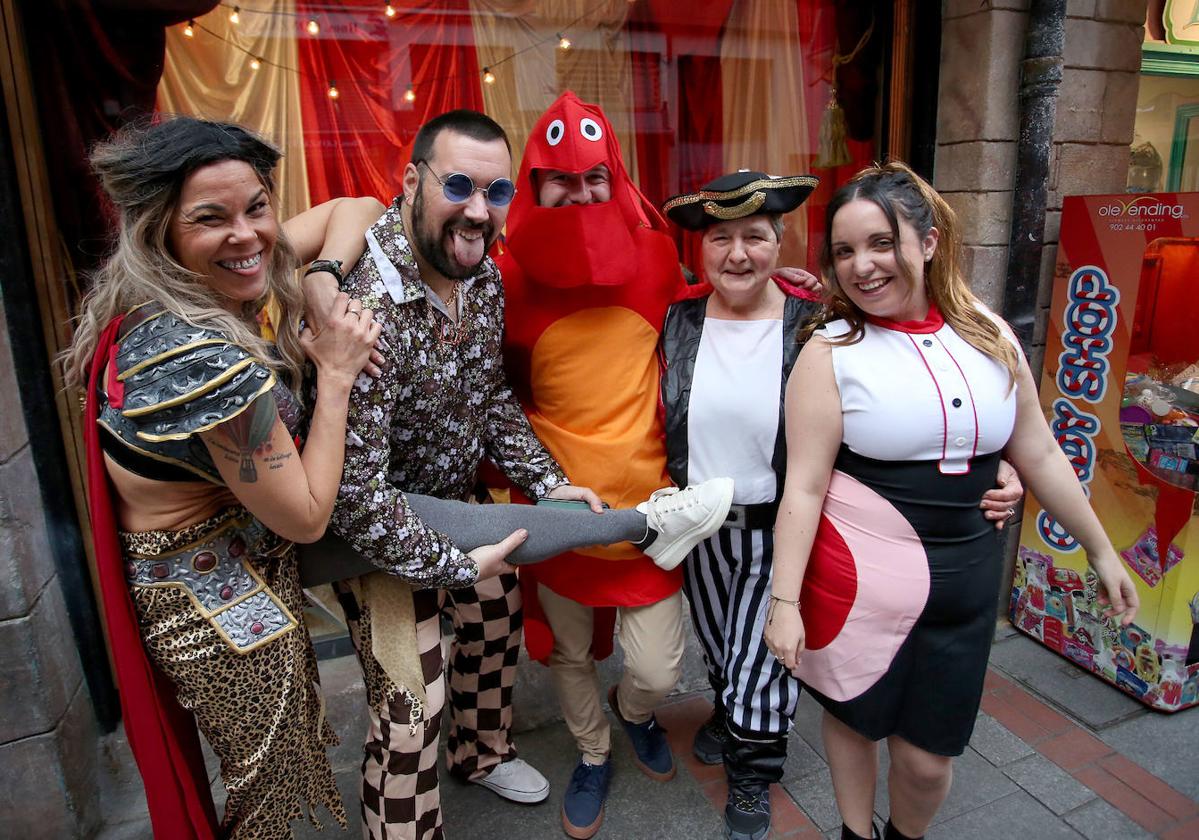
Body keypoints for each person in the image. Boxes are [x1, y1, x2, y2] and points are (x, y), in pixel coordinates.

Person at [298, 108, 733, 840]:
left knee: (494, 624)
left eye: (495, 193)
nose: (477, 210)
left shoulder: (483, 280)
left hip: (462, 500)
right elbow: (356, 496)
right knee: (412, 708)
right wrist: (450, 564)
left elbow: (491, 397)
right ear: (411, 182)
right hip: (383, 528)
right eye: (459, 186)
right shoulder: (362, 303)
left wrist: (543, 478)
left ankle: (481, 754)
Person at [763, 162, 1139, 840]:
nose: (862, 266)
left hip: (962, 590)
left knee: (926, 760)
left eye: (881, 243)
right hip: (856, 587)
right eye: (844, 251)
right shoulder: (828, 350)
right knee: (854, 716)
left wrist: (1100, 548)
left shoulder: (989, 335)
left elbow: (1041, 452)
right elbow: (805, 486)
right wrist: (783, 603)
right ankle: (854, 833)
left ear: (928, 241)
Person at [659, 170, 1025, 840]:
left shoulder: (817, 324)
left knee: (762, 661)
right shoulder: (674, 320)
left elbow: (901, 391)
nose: (737, 253)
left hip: (787, 527)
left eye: (754, 237)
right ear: (697, 250)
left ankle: (753, 768)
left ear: (781, 243)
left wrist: (995, 464)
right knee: (721, 648)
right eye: (719, 239)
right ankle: (726, 711)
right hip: (702, 526)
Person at [63, 116, 386, 839]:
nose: (247, 236)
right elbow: (303, 516)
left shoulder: (183, 288)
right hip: (215, 606)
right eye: (211, 219)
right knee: (264, 801)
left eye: (258, 207)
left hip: (233, 574)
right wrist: (334, 375)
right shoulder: (200, 361)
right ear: (161, 231)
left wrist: (322, 280)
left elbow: (356, 209)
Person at [495, 91, 760, 839]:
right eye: (561, 180)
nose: (579, 194)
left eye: (594, 180)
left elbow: (704, 327)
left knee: (654, 671)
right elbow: (490, 397)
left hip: (652, 511)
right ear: (534, 182)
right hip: (560, 513)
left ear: (615, 176)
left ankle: (635, 712)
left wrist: (780, 296)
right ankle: (588, 751)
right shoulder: (504, 280)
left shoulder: (651, 256)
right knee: (570, 652)